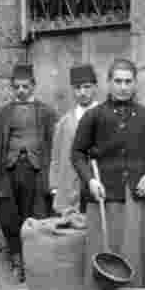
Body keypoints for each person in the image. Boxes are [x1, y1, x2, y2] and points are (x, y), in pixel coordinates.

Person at [72, 59, 145, 290]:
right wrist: (90, 181)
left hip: (141, 199)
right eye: (118, 81)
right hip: (107, 198)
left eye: (128, 81)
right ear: (108, 83)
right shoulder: (94, 116)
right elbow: (77, 154)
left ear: (135, 84)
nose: (123, 86)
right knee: (108, 254)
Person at [0, 64, 58, 281]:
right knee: (9, 217)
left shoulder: (46, 112)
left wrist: (54, 177)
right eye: (17, 87)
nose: (21, 90)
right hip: (9, 172)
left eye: (26, 86)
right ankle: (16, 259)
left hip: (38, 173)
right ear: (12, 88)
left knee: (37, 216)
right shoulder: (3, 114)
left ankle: (34, 263)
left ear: (33, 86)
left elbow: (54, 145)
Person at [49, 64, 99, 214]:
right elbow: (56, 156)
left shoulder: (105, 116)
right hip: (71, 186)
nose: (82, 92)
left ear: (95, 87)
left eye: (87, 87)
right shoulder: (65, 122)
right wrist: (55, 186)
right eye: (77, 88)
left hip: (97, 183)